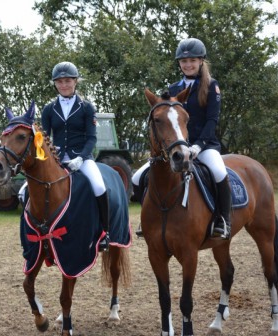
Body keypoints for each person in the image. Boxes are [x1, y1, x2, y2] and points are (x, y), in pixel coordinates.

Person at [133, 37, 231, 239]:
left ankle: (223, 220)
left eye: (192, 61)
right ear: (179, 63)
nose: (188, 64)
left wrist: (198, 145)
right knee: (136, 178)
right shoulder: (174, 88)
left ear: (201, 61)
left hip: (204, 145)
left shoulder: (212, 86)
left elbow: (212, 120)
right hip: (175, 147)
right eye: (184, 61)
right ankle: (148, 220)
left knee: (219, 173)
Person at [40, 61, 111, 251]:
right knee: (25, 191)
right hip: (56, 159)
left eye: (68, 81)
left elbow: (91, 138)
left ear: (75, 82)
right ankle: (40, 232)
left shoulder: (87, 107)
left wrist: (81, 157)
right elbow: (44, 138)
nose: (64, 85)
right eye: (60, 81)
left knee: (98, 186)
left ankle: (105, 232)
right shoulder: (48, 109)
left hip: (82, 158)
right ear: (55, 83)